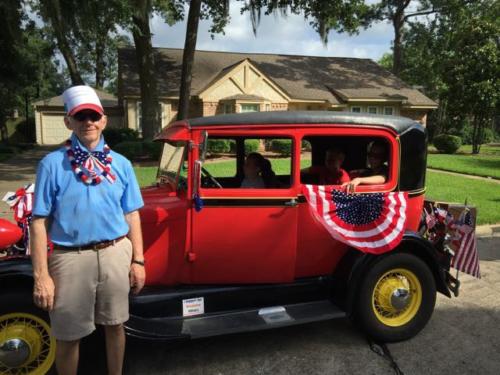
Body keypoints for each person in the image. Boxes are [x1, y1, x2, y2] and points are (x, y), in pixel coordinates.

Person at [30, 85, 145, 375]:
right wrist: (41, 275)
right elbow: (39, 221)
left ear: (103, 120)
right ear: (68, 121)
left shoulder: (121, 164)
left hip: (116, 252)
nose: (88, 122)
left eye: (93, 116)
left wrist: (138, 260)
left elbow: (132, 214)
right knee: (68, 336)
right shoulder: (52, 165)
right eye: (80, 117)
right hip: (70, 258)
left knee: (116, 325)